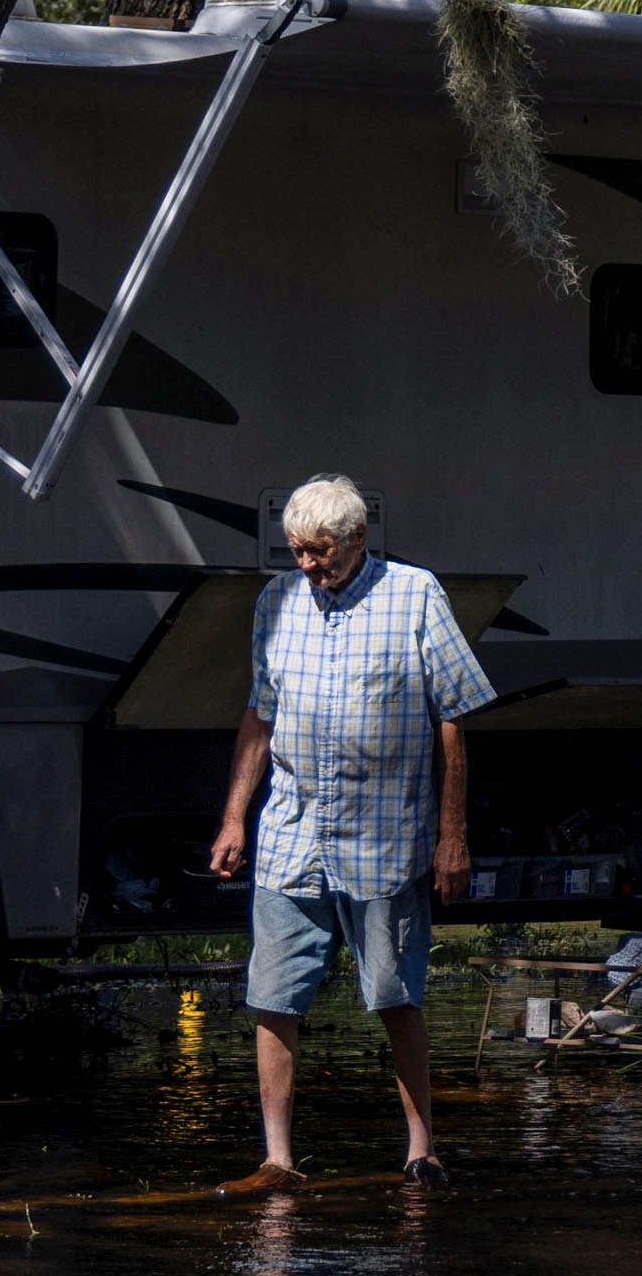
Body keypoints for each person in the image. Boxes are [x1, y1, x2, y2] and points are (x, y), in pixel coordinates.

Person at [208, 472, 496, 1193]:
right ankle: (277, 1160)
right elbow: (260, 714)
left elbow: (452, 715)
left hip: (384, 840)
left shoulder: (414, 594)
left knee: (395, 996)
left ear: (358, 537)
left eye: (319, 550)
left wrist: (452, 834)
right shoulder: (277, 601)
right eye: (296, 551)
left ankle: (421, 1149)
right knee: (273, 997)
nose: (306, 564)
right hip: (292, 833)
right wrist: (234, 815)